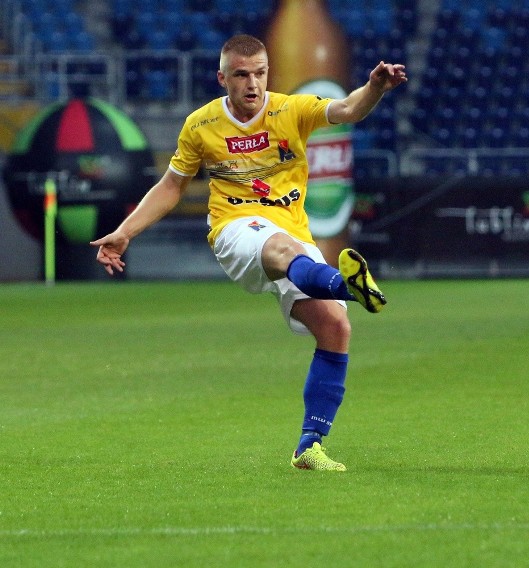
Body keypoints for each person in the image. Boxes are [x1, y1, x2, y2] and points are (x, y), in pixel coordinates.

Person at [90, 34, 407, 471]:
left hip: (294, 235)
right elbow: (172, 185)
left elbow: (348, 110)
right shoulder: (201, 126)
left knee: (335, 327)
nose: (252, 83)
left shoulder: (290, 109)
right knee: (280, 247)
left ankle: (309, 446)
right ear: (223, 78)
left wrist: (374, 87)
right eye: (241, 75)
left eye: (259, 73)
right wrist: (126, 231)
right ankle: (346, 283)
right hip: (235, 231)